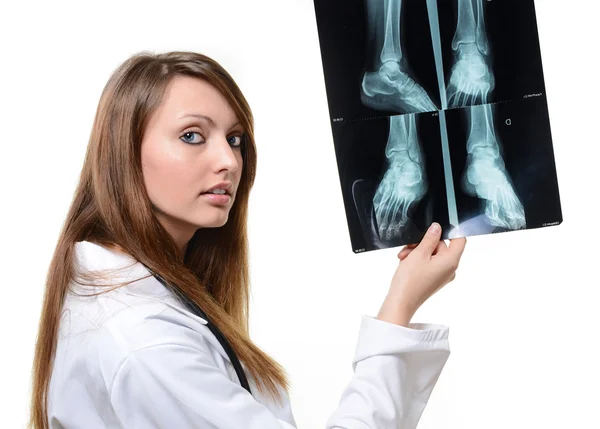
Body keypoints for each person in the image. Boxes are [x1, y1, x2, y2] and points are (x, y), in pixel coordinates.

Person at [28, 51, 467, 429]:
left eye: (234, 139)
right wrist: (399, 308)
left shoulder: (123, 291)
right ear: (126, 152)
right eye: (192, 136)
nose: (229, 161)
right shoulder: (144, 344)